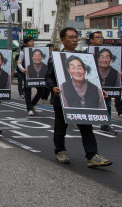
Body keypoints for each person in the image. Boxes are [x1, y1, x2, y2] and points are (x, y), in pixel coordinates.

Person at [45, 27, 112, 168]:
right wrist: (53, 88)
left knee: (86, 127)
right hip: (63, 99)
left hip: (84, 101)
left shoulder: (85, 56)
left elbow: (94, 78)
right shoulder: (55, 58)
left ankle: (92, 155)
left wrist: (101, 90)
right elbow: (48, 77)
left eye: (76, 37)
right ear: (62, 40)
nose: (74, 40)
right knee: (60, 127)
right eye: (70, 37)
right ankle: (60, 151)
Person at [90, 36, 120, 134]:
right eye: (102, 57)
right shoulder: (92, 70)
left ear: (111, 59)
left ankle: (105, 125)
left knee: (107, 105)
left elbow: (117, 86)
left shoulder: (115, 73)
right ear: (98, 59)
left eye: (107, 57)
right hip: (92, 92)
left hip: (107, 92)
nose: (104, 60)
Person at [18, 36, 47, 116]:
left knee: (41, 90)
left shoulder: (37, 51)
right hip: (27, 74)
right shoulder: (23, 52)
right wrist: (23, 70)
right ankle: (29, 108)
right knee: (28, 92)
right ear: (26, 43)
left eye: (33, 41)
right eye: (30, 41)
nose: (32, 43)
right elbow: (19, 63)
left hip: (38, 75)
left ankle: (33, 103)